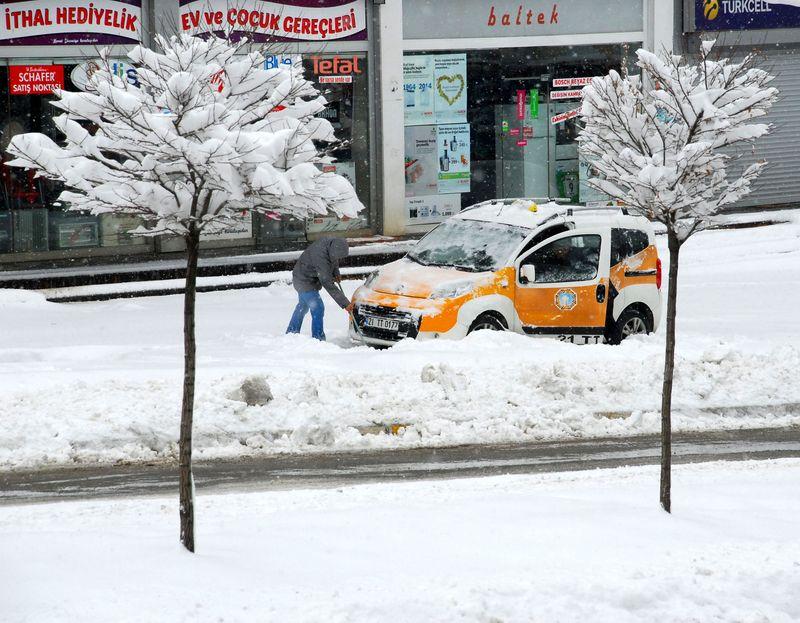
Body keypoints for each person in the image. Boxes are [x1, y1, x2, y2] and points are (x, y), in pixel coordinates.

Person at [286, 237, 355, 341]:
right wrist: (345, 304)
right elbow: (326, 282)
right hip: (304, 280)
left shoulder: (331, 244)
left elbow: (333, 258)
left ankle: (291, 332)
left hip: (307, 276)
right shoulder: (320, 256)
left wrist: (336, 272)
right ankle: (318, 339)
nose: (338, 259)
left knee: (303, 306)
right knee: (317, 307)